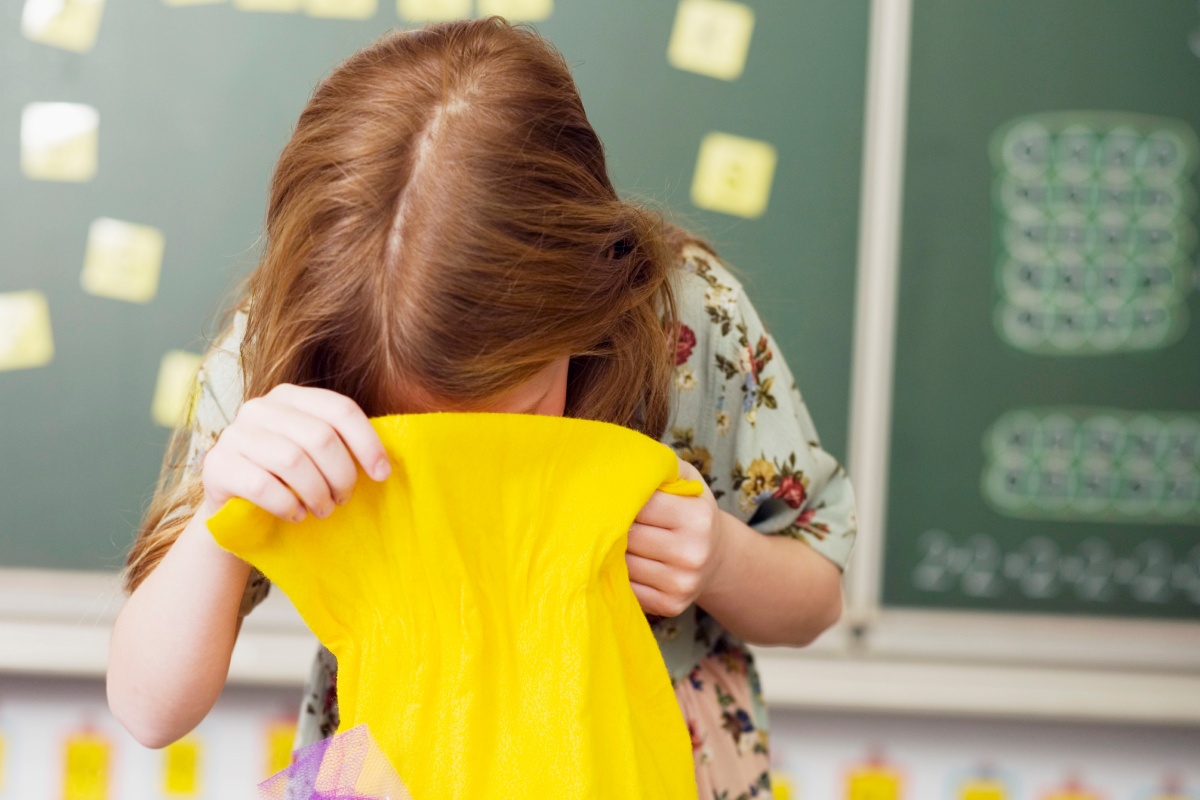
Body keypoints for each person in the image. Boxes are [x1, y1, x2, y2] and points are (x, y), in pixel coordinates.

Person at [107, 17, 855, 799]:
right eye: (417, 424)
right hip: (393, 765)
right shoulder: (284, 349)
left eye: (522, 410)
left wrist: (722, 558)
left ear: (592, 293)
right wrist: (219, 517)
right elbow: (148, 709)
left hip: (660, 760)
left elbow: (818, 595)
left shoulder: (686, 319)